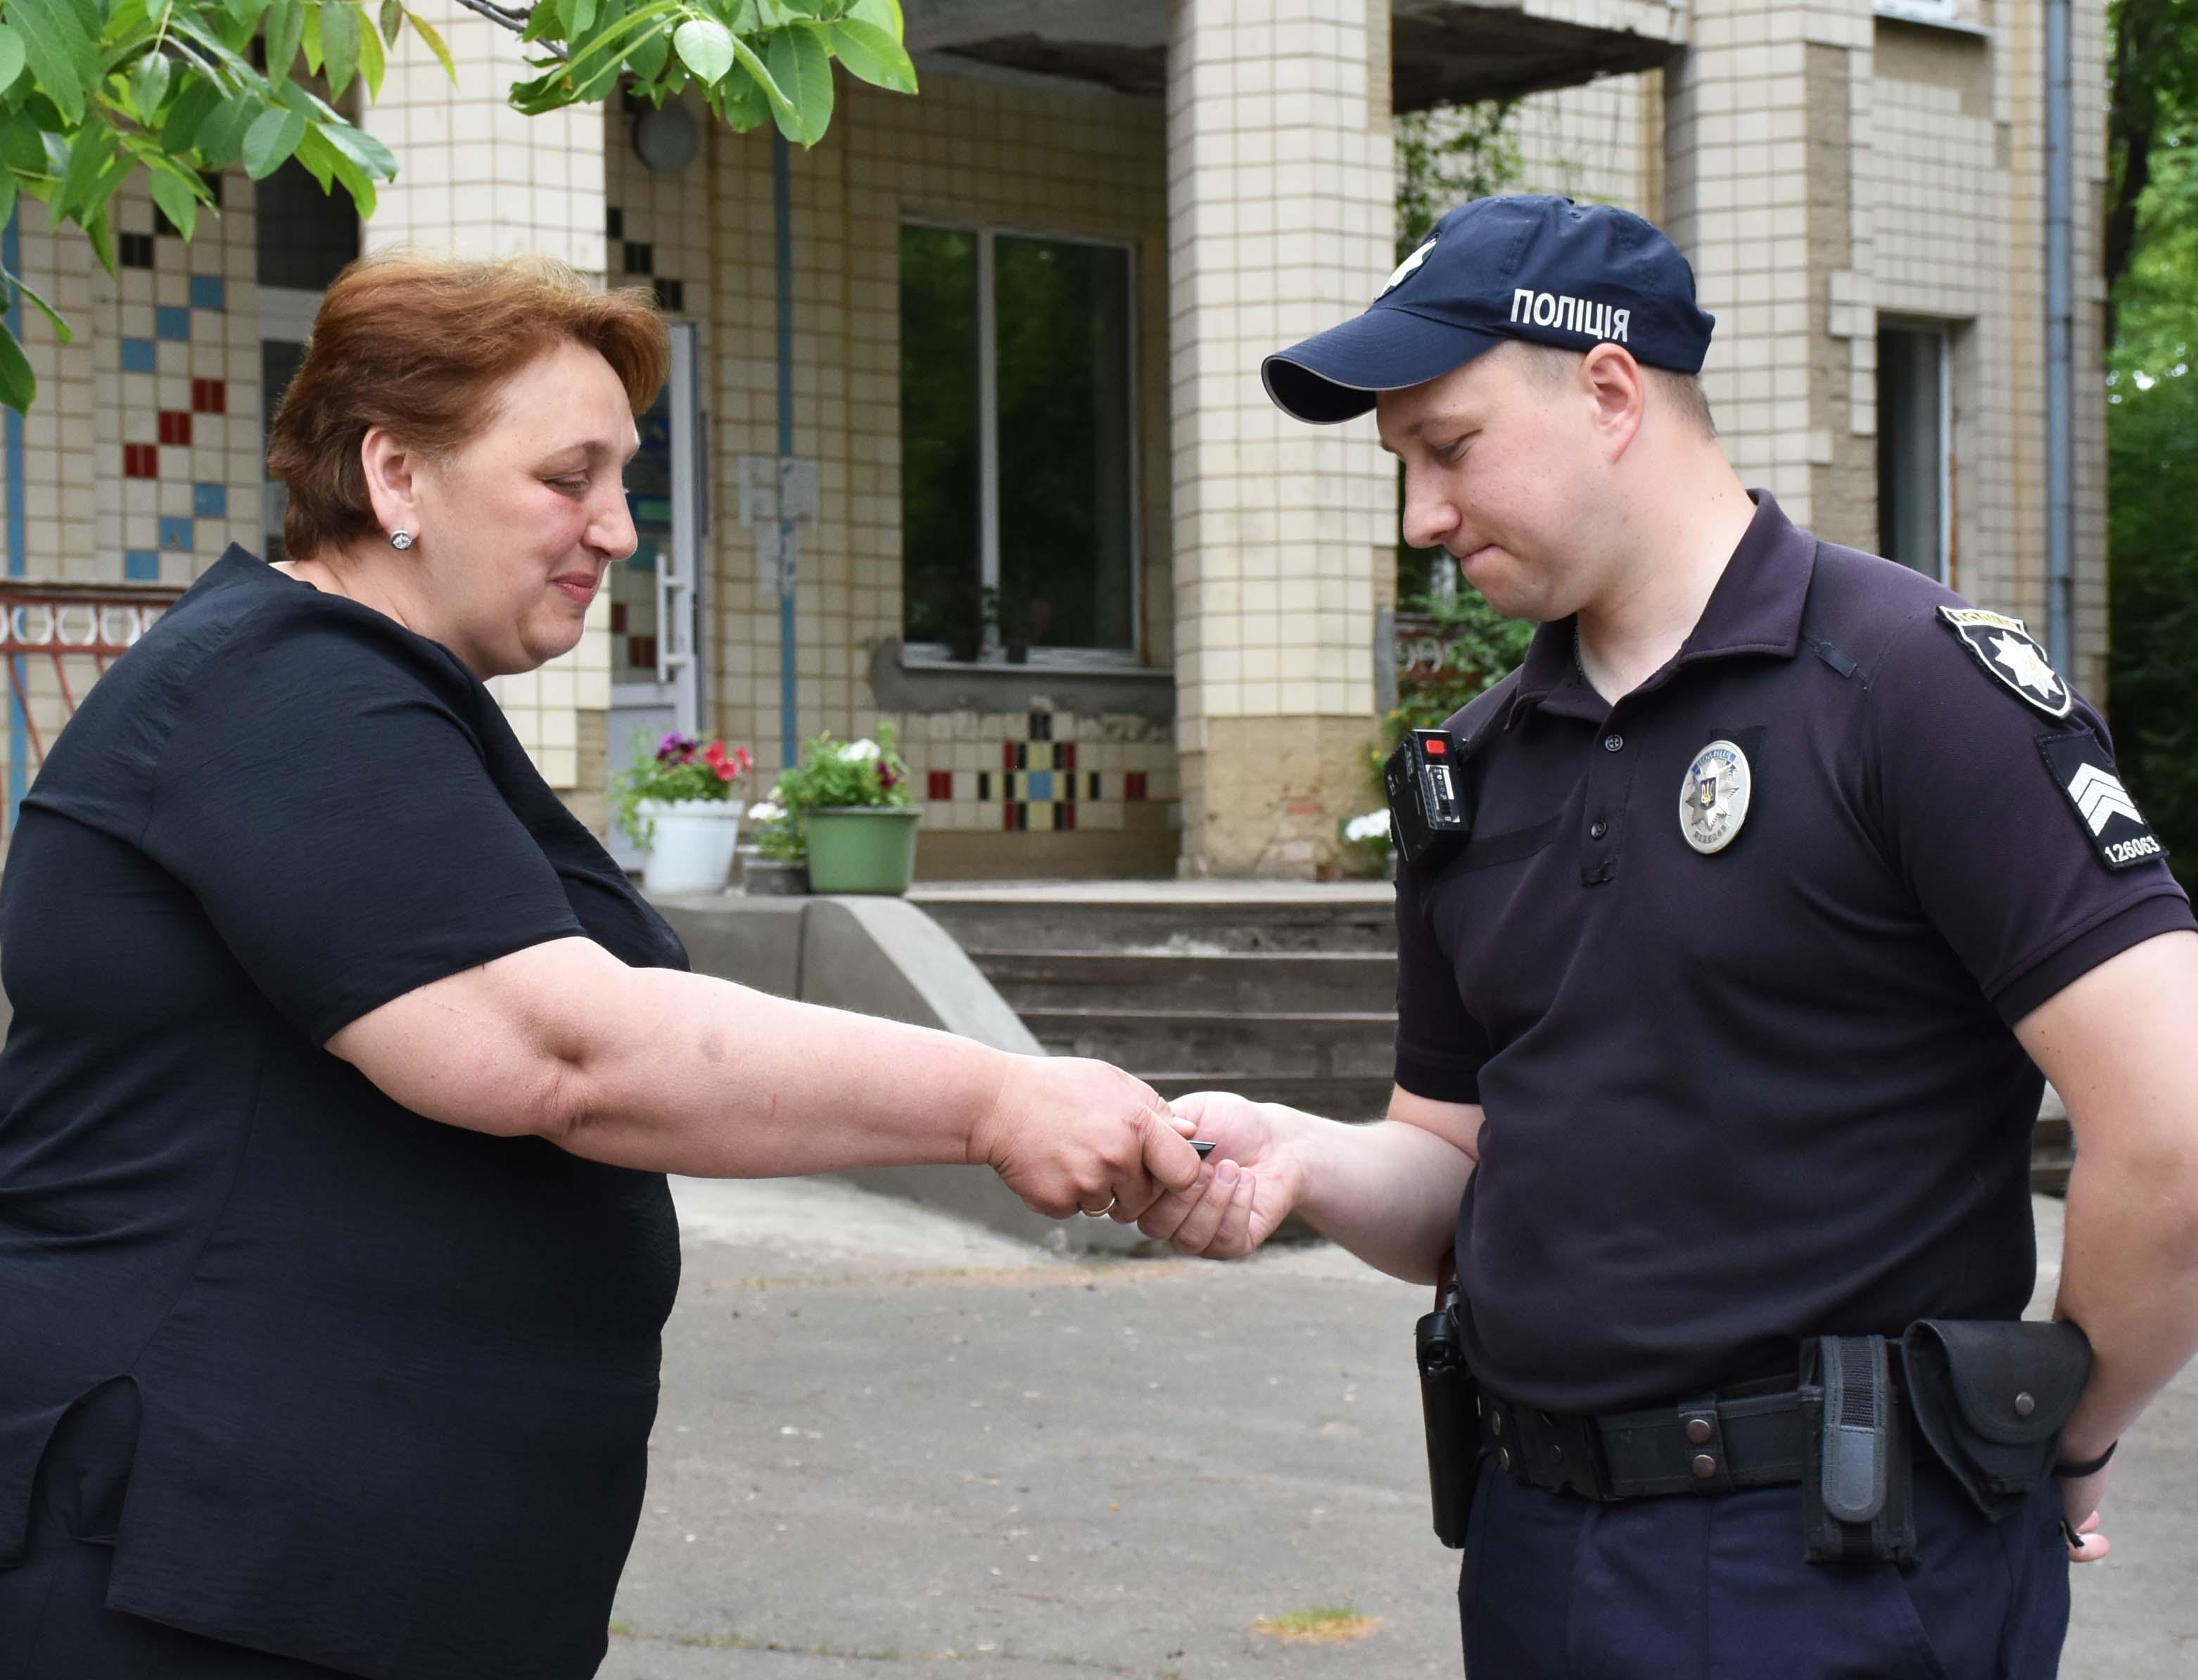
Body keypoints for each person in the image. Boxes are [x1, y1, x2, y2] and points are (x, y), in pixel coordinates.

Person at [0, 255, 1202, 1680]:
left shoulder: (371, 693)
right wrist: (997, 1102)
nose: (618, 532)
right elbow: (562, 1053)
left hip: (312, 1562)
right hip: (192, 1568)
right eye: (569, 478)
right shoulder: (282, 692)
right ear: (394, 473)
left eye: (622, 481)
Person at [1137, 195, 2198, 1677]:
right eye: (1401, 469)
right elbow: (1449, 1161)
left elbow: (2170, 1123)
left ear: (1608, 391)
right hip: (1533, 1551)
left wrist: (2056, 1434)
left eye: (1447, 448)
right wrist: (1299, 1157)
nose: (1420, 521)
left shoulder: (1905, 684)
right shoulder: (1476, 766)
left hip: (1847, 1570)